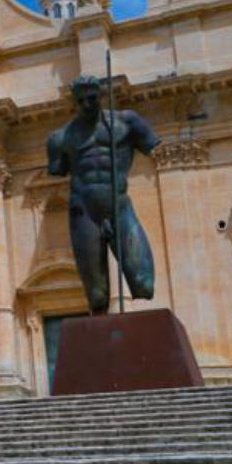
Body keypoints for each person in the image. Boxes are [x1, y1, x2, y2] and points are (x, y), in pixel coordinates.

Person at [46, 75, 159, 313]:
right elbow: (57, 170)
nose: (88, 104)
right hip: (83, 211)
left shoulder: (127, 122)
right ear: (74, 103)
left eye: (93, 98)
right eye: (82, 100)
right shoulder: (60, 138)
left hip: (119, 205)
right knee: (97, 297)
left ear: (101, 97)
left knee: (144, 284)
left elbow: (154, 146)